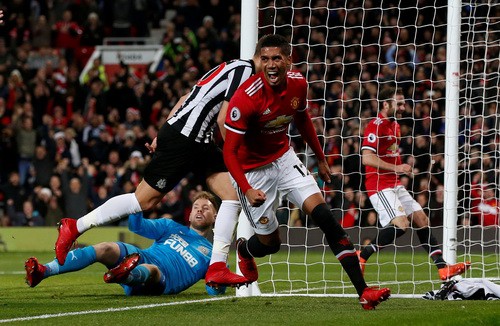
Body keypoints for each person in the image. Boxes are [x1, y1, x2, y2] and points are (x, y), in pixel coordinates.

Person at [55, 37, 270, 288]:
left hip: (191, 138)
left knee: (232, 195)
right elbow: (224, 118)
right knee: (142, 200)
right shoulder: (245, 72)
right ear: (262, 57)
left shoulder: (227, 66)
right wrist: (236, 150)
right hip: (186, 138)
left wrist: (163, 130)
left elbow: (185, 97)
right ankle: (75, 226)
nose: (273, 67)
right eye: (271, 59)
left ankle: (217, 266)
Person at [221, 34, 390, 310]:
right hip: (252, 172)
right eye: (265, 59)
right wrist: (247, 187)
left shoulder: (299, 83)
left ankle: (364, 292)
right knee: (271, 244)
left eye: (277, 58)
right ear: (259, 62)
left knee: (325, 216)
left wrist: (321, 159)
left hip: (285, 158)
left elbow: (301, 118)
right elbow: (229, 152)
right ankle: (243, 250)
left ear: (289, 60)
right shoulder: (245, 99)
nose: (271, 65)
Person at [357, 85, 470, 280]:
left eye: (403, 104)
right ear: (385, 104)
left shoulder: (396, 126)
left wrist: (403, 164)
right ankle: (362, 255)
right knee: (401, 225)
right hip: (378, 185)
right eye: (398, 104)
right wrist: (397, 168)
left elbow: (390, 154)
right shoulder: (376, 125)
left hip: (395, 184)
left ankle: (443, 268)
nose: (403, 108)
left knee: (421, 219)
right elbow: (366, 158)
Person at [25, 191, 225, 296]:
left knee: (152, 270)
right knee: (105, 248)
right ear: (189, 214)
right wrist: (138, 203)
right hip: (141, 257)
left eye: (206, 208)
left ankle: (126, 275)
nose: (199, 210)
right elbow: (136, 226)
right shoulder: (170, 226)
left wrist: (220, 283)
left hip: (162, 279)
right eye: (196, 207)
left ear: (216, 217)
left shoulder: (213, 253)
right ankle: (44, 271)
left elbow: (213, 289)